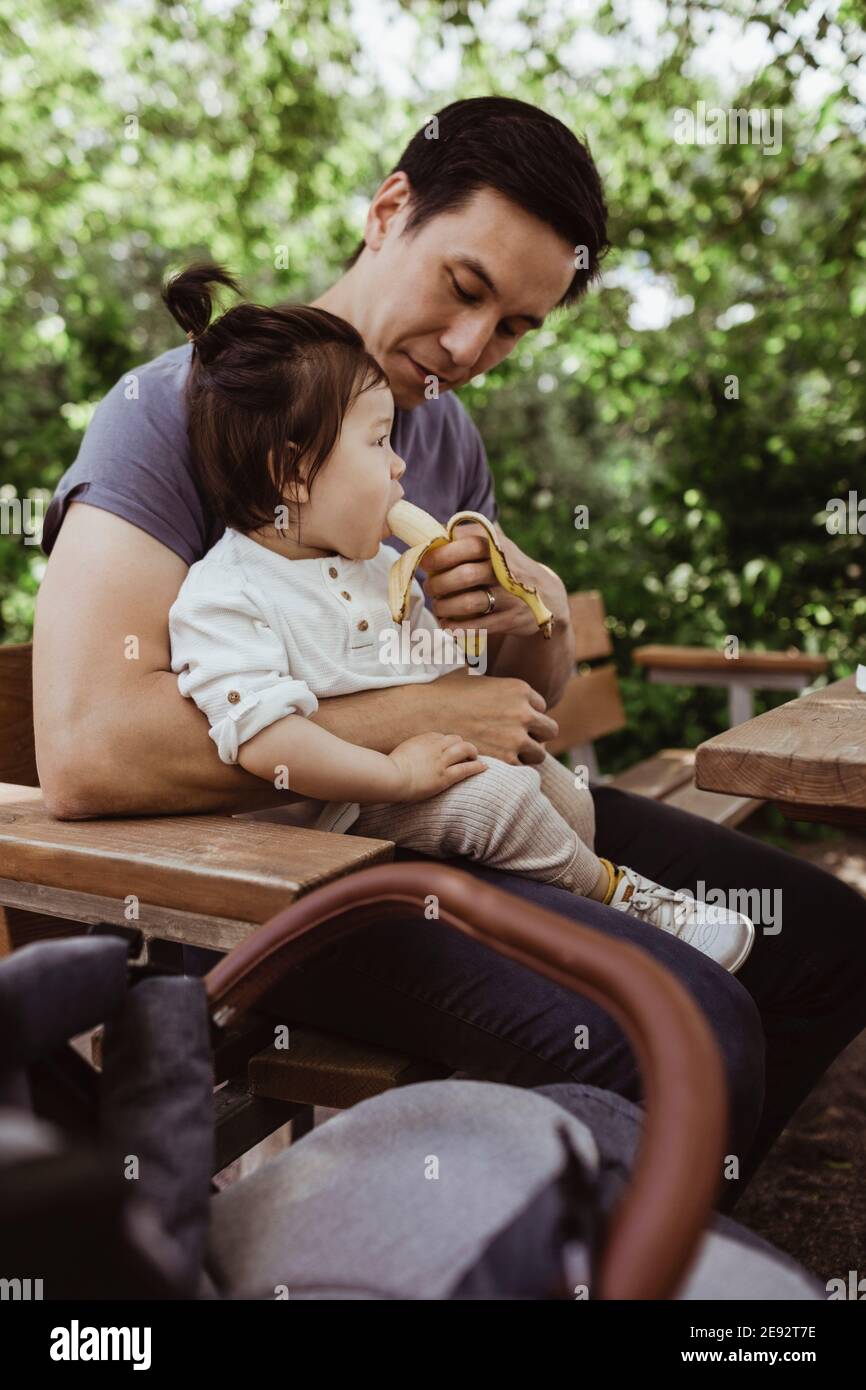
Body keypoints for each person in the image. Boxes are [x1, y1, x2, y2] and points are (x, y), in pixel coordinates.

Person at [35, 96, 866, 1210]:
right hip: (276, 880)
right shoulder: (175, 409)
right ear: (388, 212)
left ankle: (650, 1239)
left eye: (516, 326)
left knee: (822, 939)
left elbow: (508, 705)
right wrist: (413, 726)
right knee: (679, 1022)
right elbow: (88, 748)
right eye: (465, 289)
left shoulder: (437, 433)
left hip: (454, 816)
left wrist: (539, 622)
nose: (473, 349)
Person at [164, 262, 754, 972]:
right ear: (292, 471)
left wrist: (480, 610)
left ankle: (560, 907)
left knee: (561, 791)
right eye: (379, 443)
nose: (400, 469)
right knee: (497, 798)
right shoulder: (226, 592)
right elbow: (266, 741)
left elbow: (447, 678)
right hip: (332, 824)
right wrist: (398, 779)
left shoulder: (381, 567)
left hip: (410, 784)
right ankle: (621, 905)